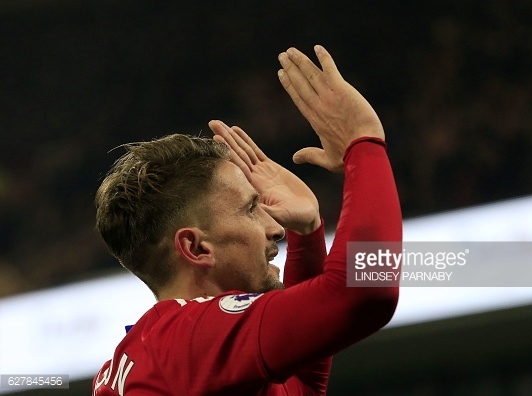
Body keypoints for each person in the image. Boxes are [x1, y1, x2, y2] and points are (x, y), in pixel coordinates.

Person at [92, 45, 402, 396]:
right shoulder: (186, 337)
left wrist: (308, 233)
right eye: (250, 208)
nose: (274, 228)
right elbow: (365, 292)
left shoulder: (159, 350)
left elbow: (300, 388)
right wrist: (363, 143)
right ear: (195, 247)